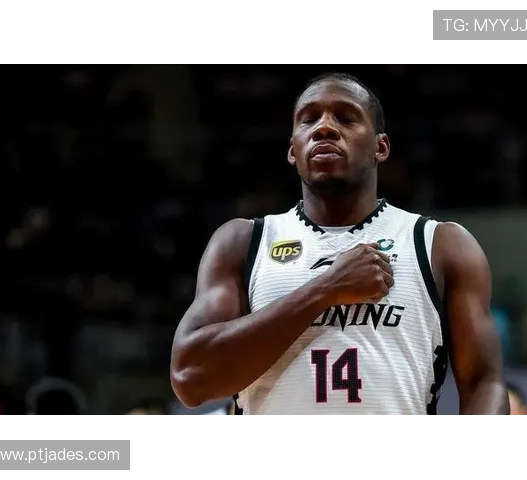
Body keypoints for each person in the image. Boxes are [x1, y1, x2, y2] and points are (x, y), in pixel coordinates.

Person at [170, 72, 509, 415]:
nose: (324, 128)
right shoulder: (242, 242)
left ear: (380, 147)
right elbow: (189, 378)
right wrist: (327, 289)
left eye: (346, 118)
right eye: (309, 119)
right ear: (293, 150)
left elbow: (484, 383)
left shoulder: (440, 244)